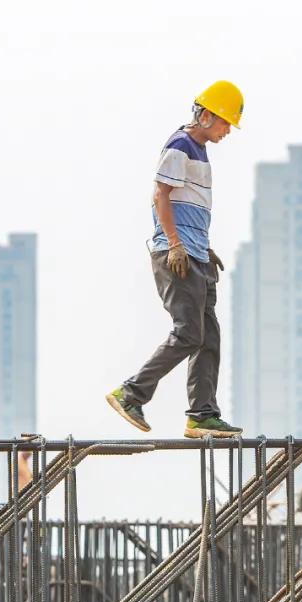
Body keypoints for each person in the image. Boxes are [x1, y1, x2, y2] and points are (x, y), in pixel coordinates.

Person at [106, 81, 245, 439]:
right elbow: (160, 195)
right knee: (188, 332)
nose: (227, 130)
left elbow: (189, 206)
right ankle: (131, 393)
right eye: (225, 123)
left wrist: (203, 245)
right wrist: (174, 244)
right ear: (206, 114)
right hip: (177, 255)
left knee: (208, 335)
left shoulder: (200, 151)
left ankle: (202, 414)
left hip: (196, 253)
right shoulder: (180, 145)